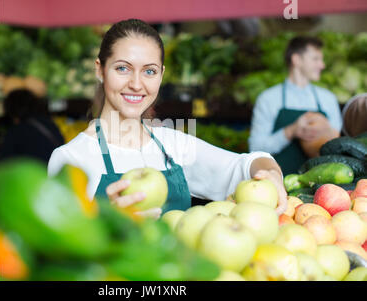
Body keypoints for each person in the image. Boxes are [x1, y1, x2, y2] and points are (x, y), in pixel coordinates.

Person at [48, 19, 288, 219]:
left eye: (149, 71)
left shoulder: (174, 146)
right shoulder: (71, 158)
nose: (136, 84)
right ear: (100, 70)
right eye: (122, 68)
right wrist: (104, 221)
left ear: (161, 75)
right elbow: (57, 252)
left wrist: (272, 174)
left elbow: (244, 167)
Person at [249, 37, 343, 175]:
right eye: (315, 59)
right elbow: (255, 148)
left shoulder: (328, 99)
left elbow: (339, 145)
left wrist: (326, 131)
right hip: (278, 185)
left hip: (321, 186)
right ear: (297, 60)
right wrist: (291, 131)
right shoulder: (268, 99)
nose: (322, 65)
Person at [0, 89, 65, 163]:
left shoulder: (16, 132)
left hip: (31, 173)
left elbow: (5, 164)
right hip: (56, 173)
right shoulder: (50, 125)